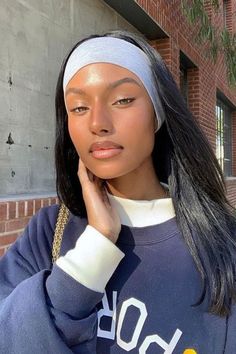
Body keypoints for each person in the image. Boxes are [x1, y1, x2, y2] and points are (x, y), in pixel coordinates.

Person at [0, 30, 236, 354]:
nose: (98, 122)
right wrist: (94, 249)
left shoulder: (223, 244)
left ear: (158, 111)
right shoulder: (47, 232)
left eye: (123, 100)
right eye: (79, 107)